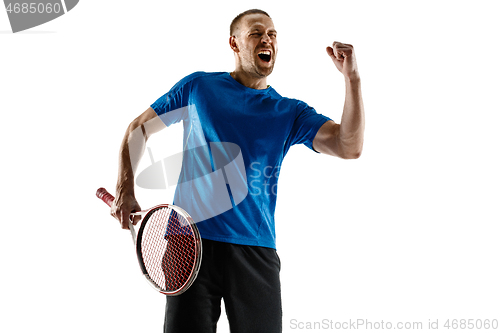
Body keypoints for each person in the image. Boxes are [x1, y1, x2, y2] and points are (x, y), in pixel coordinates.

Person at [111, 8, 364, 333]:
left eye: (272, 34)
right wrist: (125, 189)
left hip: (254, 249)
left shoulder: (290, 112)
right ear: (234, 43)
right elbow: (138, 130)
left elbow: (349, 145)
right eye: (256, 33)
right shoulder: (199, 88)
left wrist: (352, 80)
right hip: (187, 242)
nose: (267, 39)